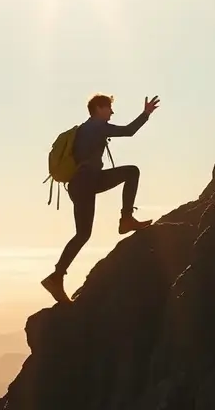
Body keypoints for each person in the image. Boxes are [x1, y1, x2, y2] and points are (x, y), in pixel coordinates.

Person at [41, 93, 159, 303]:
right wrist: (146, 114)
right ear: (98, 108)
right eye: (109, 108)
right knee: (131, 172)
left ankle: (56, 277)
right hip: (88, 182)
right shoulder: (97, 126)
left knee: (83, 234)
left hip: (82, 184)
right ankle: (126, 219)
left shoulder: (84, 129)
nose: (112, 112)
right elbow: (129, 131)